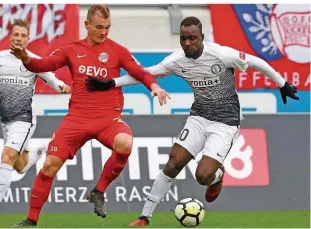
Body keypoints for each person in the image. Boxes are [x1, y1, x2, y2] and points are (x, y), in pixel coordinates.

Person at [85, 16, 299, 226]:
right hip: (199, 116)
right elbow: (145, 74)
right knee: (173, 163)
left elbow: (256, 62)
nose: (187, 43)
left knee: (203, 176)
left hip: (225, 122)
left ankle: (217, 175)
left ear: (201, 37)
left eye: (192, 38)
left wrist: (282, 84)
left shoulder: (221, 55)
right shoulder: (177, 61)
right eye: (183, 38)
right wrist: (111, 83)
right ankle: (144, 217)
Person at [10, 5, 169, 227]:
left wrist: (154, 87)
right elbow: (44, 64)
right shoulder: (71, 49)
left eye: (107, 27)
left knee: (125, 143)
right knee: (49, 166)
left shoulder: (118, 50)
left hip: (107, 119)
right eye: (99, 27)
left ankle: (98, 191)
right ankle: (31, 220)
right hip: (77, 118)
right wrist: (25, 57)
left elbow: (139, 71)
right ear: (87, 25)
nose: (104, 32)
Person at [0, 19, 71, 221]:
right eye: (16, 35)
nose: (19, 38)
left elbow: (52, 79)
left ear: (28, 39)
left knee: (7, 156)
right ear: (11, 36)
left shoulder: (33, 61)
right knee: (19, 166)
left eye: (23, 36)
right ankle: (41, 149)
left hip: (25, 119)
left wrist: (64, 87)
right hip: (6, 120)